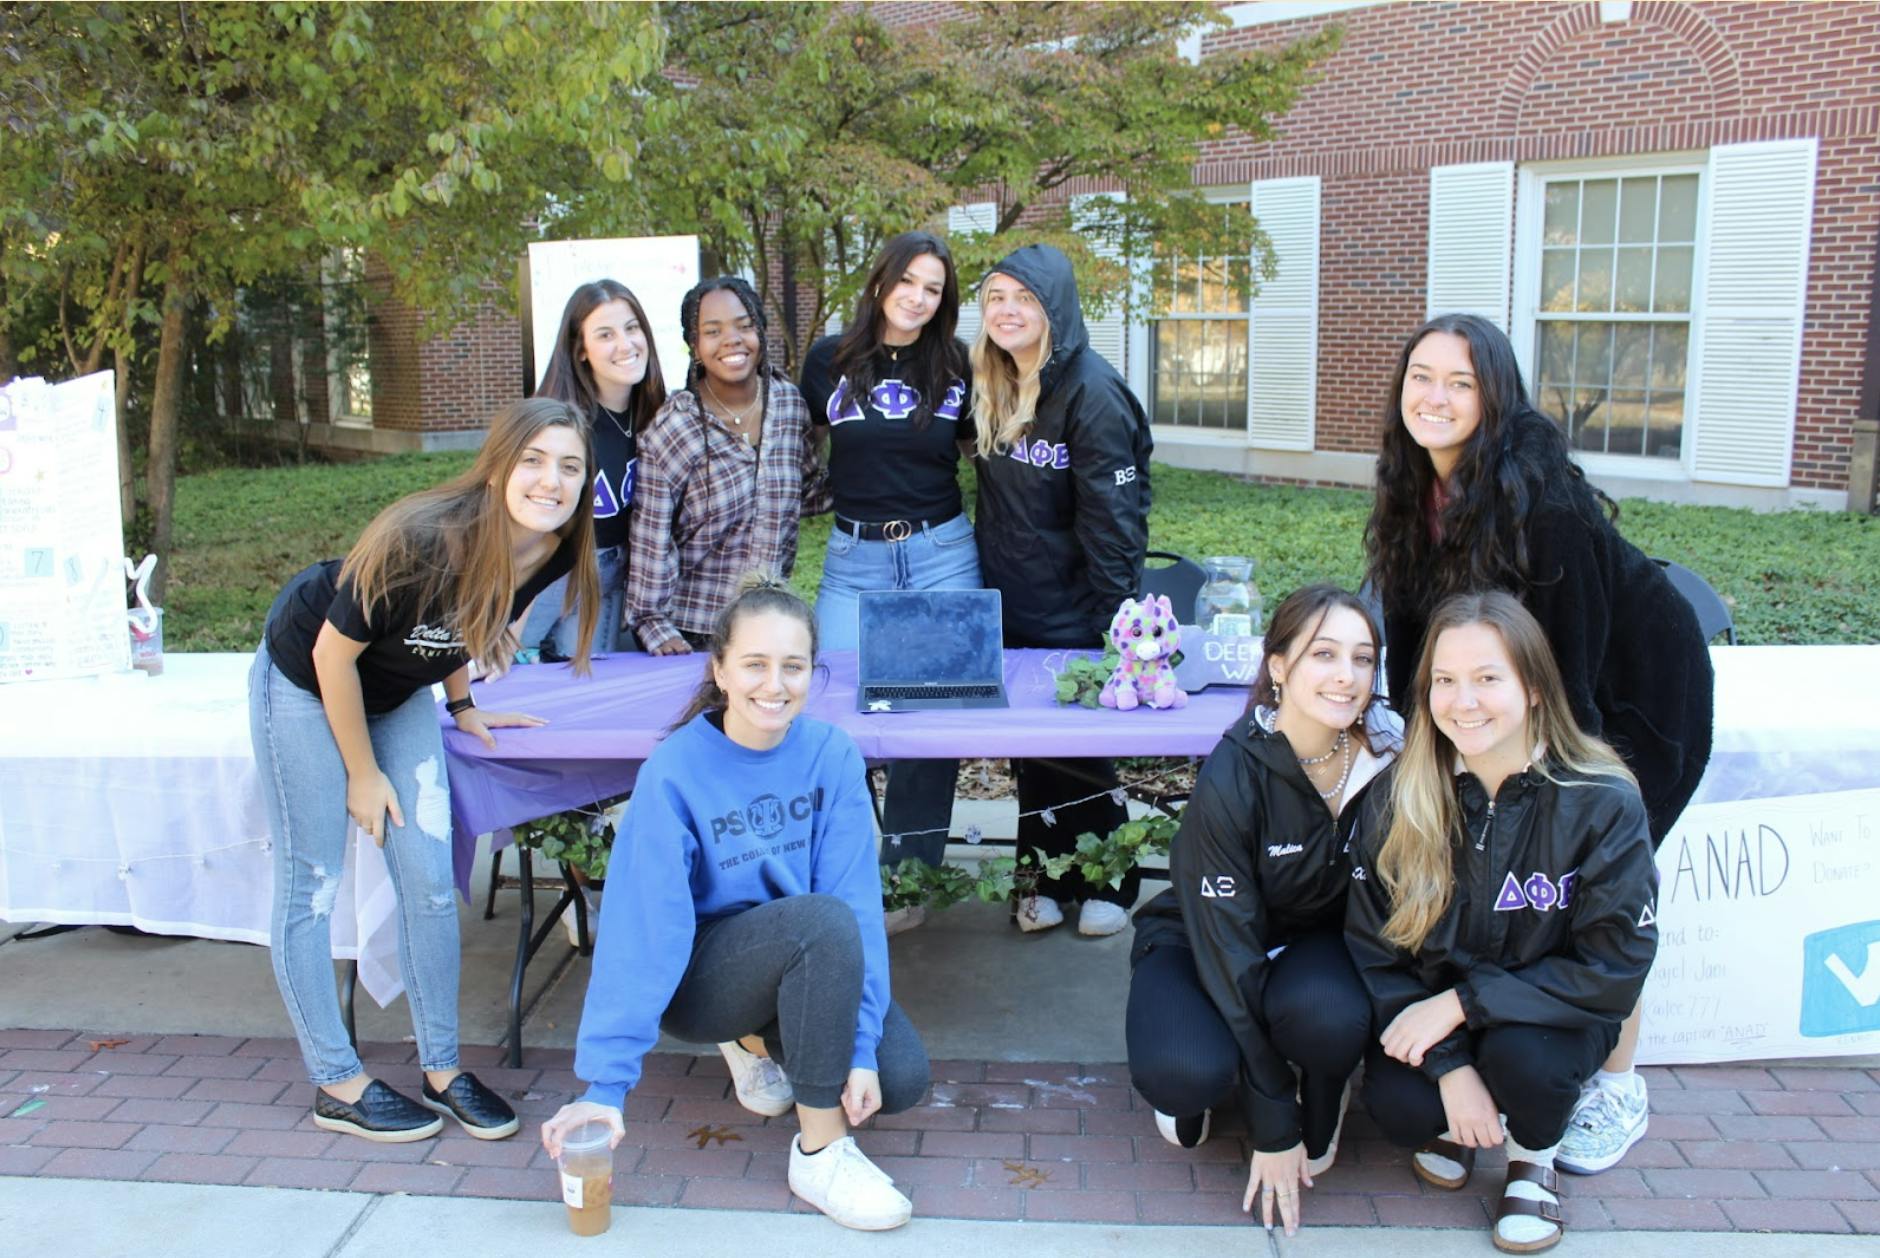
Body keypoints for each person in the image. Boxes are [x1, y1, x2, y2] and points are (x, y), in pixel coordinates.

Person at [1363, 312, 1713, 1173]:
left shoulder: (1540, 502)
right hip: (1521, 694)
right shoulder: (1416, 490)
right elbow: (1420, 638)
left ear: (1495, 395)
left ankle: (1615, 1084)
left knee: (1593, 881)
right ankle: (1493, 1062)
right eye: (1421, 377)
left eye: (1460, 382)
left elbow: (1575, 670)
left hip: (1632, 702)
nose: (1434, 397)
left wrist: (1576, 791)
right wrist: (1419, 744)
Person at [250, 396, 599, 1142]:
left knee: (431, 884)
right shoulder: (422, 537)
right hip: (309, 682)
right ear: (500, 463)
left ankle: (442, 1068)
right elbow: (331, 656)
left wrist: (464, 704)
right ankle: (337, 1083)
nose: (551, 480)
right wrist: (361, 773)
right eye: (534, 460)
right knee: (311, 885)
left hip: (398, 689)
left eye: (570, 466)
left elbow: (464, 623)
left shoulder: (554, 544)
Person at [542, 576, 932, 1231]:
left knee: (898, 1077)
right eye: (754, 664)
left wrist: (861, 1048)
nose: (773, 685)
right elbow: (644, 931)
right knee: (819, 925)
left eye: (793, 666)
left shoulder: (831, 756)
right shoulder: (674, 770)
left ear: (813, 672)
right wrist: (605, 1085)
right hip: (700, 976)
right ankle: (822, 1152)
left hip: (803, 949)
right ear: (719, 669)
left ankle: (760, 1040)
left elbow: (858, 906)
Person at [1345, 591, 1658, 1255]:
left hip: (1552, 1015)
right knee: (1403, 1108)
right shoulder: (1399, 796)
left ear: (1535, 688)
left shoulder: (1601, 801)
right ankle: (1465, 1111)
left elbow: (1613, 970)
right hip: (1442, 1010)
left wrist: (1462, 1004)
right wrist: (1452, 1067)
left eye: (1488, 679)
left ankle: (1531, 1160)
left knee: (1528, 1064)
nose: (1465, 702)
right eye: (1445, 681)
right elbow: (1374, 950)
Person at [1127, 585, 1401, 1237]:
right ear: (1279, 667)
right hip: (1204, 945)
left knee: (1332, 1018)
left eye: (1363, 659)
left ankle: (1324, 1092)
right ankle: (1232, 1081)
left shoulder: (1384, 764)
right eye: (1324, 654)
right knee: (1185, 1072)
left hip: (1310, 946)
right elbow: (1229, 952)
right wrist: (1271, 1115)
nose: (1346, 676)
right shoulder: (1234, 771)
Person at [969, 242, 1153, 938]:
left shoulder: (1092, 391)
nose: (1008, 311)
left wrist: (1114, 629)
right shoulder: (995, 381)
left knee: (1080, 749)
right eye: (996, 298)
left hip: (1079, 610)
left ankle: (1112, 879)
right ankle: (1039, 875)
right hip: (1011, 604)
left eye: (1025, 298)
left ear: (1055, 309)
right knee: (1034, 750)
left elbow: (1115, 523)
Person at [799, 231, 977, 874]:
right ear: (880, 283)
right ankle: (836, 860)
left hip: (943, 554)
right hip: (854, 560)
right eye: (908, 282)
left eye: (933, 289)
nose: (918, 298)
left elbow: (983, 456)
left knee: (934, 722)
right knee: (828, 707)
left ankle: (910, 873)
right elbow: (800, 452)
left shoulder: (961, 365)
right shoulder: (827, 361)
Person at [626, 276, 830, 654]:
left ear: (761, 332)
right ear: (695, 347)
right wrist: (656, 627)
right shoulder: (674, 429)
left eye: (744, 325)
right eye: (713, 331)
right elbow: (651, 539)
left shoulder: (787, 404)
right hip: (693, 631)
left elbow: (804, 494)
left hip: (767, 619)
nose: (732, 339)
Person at [518, 279, 667, 660]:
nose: (626, 344)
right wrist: (514, 614)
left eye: (632, 328)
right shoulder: (559, 421)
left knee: (585, 676)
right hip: (552, 566)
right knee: (506, 663)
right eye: (605, 334)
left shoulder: (658, 415)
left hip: (614, 572)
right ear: (581, 349)